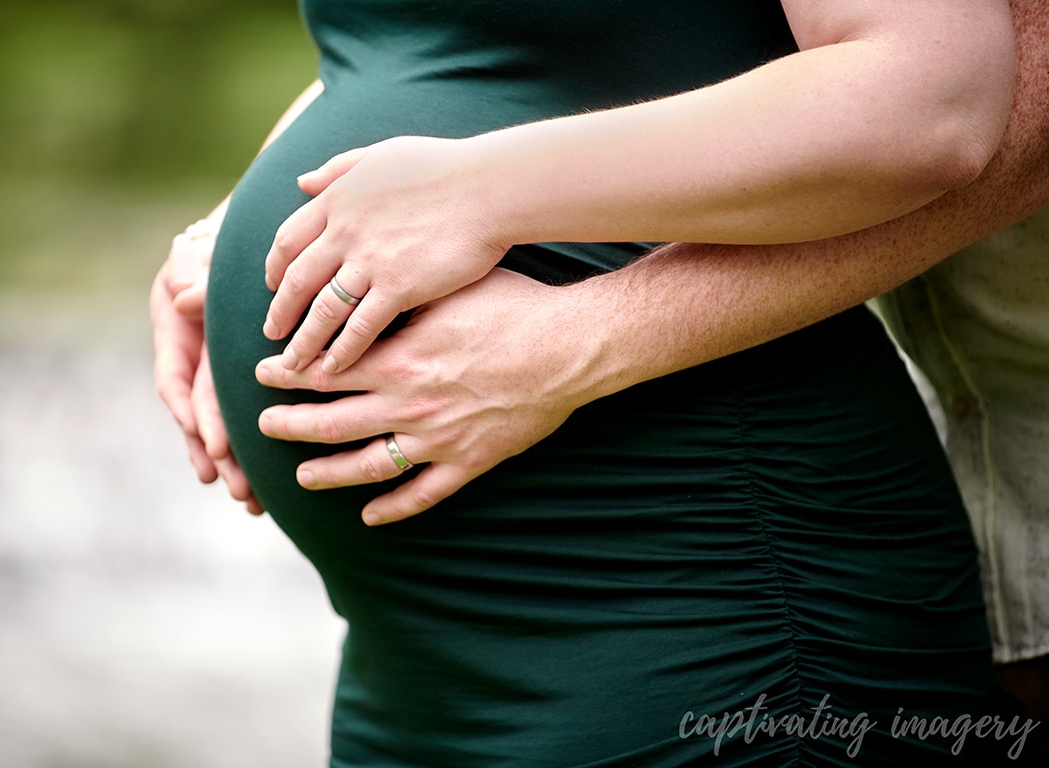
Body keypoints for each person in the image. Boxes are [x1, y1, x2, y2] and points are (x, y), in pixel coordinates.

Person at [151, 1, 1030, 764]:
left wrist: (487, 200)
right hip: (425, 652)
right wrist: (245, 229)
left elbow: (935, 101)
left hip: (703, 597)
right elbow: (460, 45)